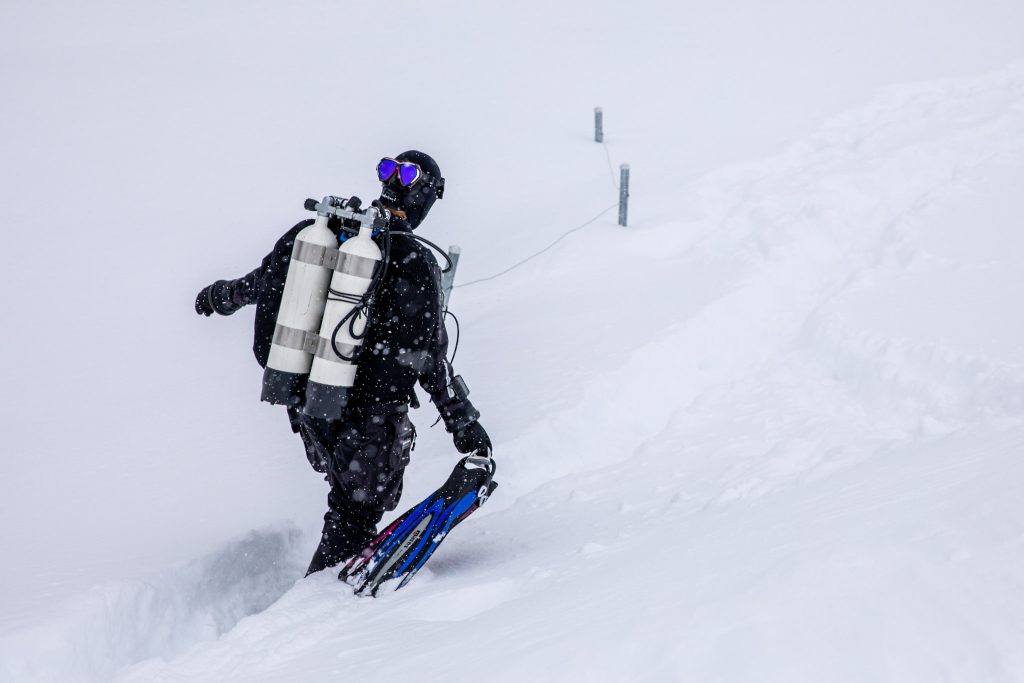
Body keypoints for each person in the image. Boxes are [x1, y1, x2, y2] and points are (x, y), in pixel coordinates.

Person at [194, 150, 491, 575]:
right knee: (353, 518)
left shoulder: (331, 233)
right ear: (427, 198)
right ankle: (315, 612)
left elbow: (269, 281)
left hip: (315, 405)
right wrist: (463, 423)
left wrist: (222, 296)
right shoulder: (412, 259)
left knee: (346, 505)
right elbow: (429, 355)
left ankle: (327, 595)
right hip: (371, 420)